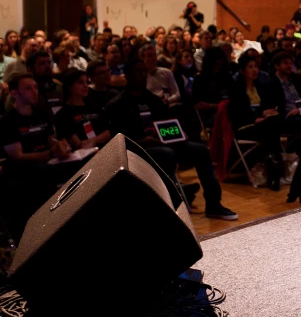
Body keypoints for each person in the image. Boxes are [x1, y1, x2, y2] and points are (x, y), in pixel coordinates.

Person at [106, 59, 236, 219]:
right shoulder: (117, 105)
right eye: (138, 71)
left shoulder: (153, 100)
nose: (143, 75)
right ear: (128, 75)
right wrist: (144, 140)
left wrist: (179, 134)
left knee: (201, 150)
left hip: (161, 143)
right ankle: (171, 208)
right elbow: (119, 140)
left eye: (145, 71)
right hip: (137, 148)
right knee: (166, 153)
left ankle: (214, 205)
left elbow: (166, 124)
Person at [0, 73, 74, 240]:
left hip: (47, 162)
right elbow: (17, 156)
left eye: (35, 87)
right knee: (46, 171)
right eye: (28, 88)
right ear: (14, 93)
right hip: (22, 171)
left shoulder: (41, 114)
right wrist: (50, 153)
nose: (35, 92)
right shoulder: (8, 121)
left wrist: (61, 146)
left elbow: (50, 141)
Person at [228, 53, 285, 190]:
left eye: (256, 67)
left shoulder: (260, 86)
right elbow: (238, 113)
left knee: (273, 122)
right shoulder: (236, 89)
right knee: (271, 127)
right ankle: (277, 163)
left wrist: (269, 112)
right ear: (242, 70)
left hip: (262, 125)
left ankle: (273, 164)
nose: (255, 70)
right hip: (245, 126)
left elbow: (266, 106)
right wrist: (257, 116)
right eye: (250, 67)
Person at [55, 69, 112, 150]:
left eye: (87, 82)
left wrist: (93, 141)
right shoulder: (62, 115)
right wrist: (99, 140)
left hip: (106, 149)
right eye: (80, 82)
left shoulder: (95, 106)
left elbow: (108, 132)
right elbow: (78, 144)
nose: (86, 86)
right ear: (69, 87)